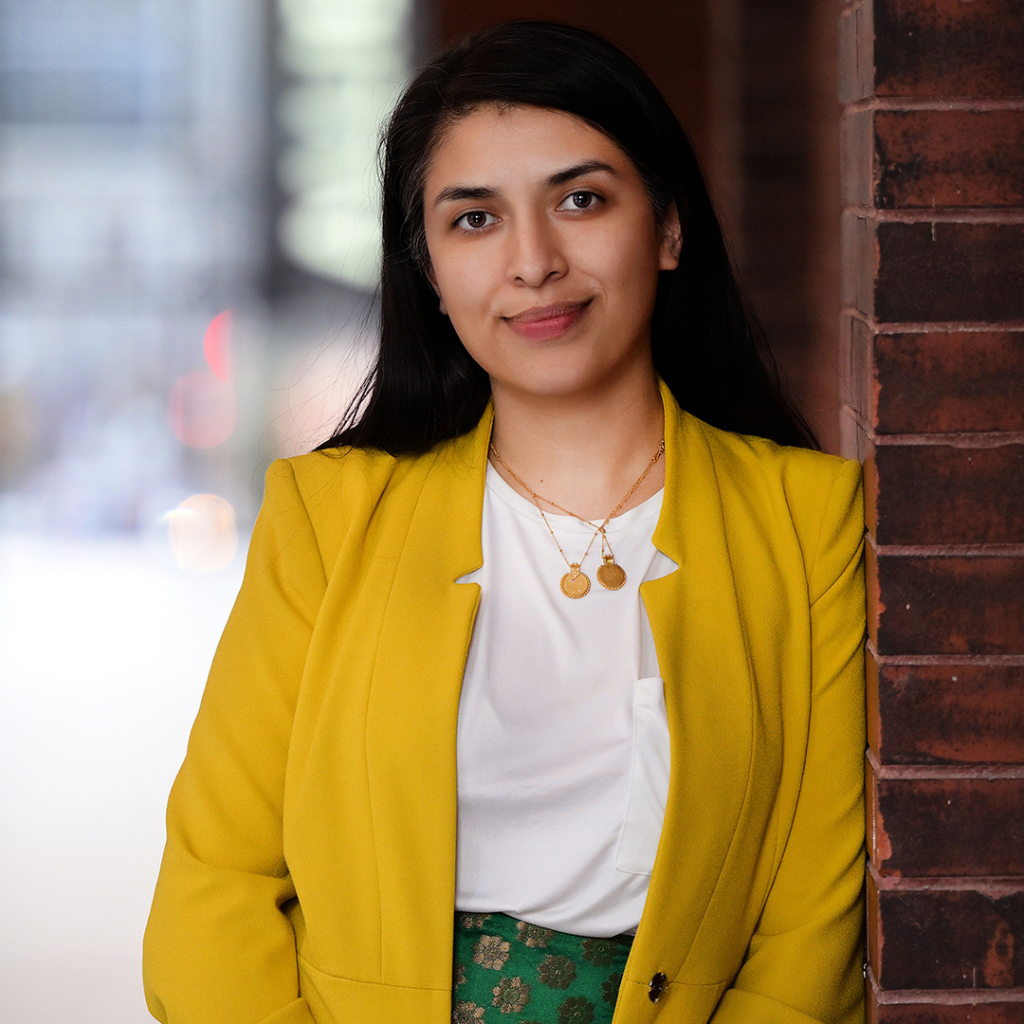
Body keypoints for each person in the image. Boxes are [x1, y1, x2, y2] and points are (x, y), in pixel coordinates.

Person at [143, 21, 865, 1024]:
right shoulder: (327, 517)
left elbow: (811, 932)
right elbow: (212, 885)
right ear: (430, 272)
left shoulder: (810, 522)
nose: (533, 262)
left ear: (666, 227)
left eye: (579, 199)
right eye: (473, 220)